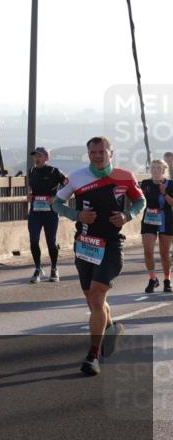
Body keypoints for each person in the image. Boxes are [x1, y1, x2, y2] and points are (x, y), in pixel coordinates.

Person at [51, 137, 145, 376]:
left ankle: (94, 354)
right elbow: (56, 202)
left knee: (96, 295)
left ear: (111, 153)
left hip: (112, 245)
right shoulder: (77, 177)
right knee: (93, 301)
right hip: (84, 244)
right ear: (88, 154)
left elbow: (140, 201)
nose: (97, 156)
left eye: (102, 151)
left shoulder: (125, 176)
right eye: (93, 152)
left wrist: (127, 216)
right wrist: (76, 215)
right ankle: (111, 328)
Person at [25, 147, 67, 283]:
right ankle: (38, 268)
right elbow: (33, 189)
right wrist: (30, 196)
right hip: (35, 212)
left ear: (46, 158)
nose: (36, 158)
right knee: (33, 240)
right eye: (35, 156)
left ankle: (54, 269)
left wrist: (57, 198)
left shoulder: (55, 171)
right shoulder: (31, 171)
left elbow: (68, 186)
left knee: (51, 243)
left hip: (51, 212)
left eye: (39, 156)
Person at [141, 159, 172, 293]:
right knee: (148, 251)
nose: (155, 170)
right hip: (149, 219)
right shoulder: (145, 183)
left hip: (166, 220)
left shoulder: (170, 184)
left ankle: (167, 280)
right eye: (153, 168)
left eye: (158, 168)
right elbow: (139, 200)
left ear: (164, 170)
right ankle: (153, 279)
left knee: (164, 253)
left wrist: (164, 192)